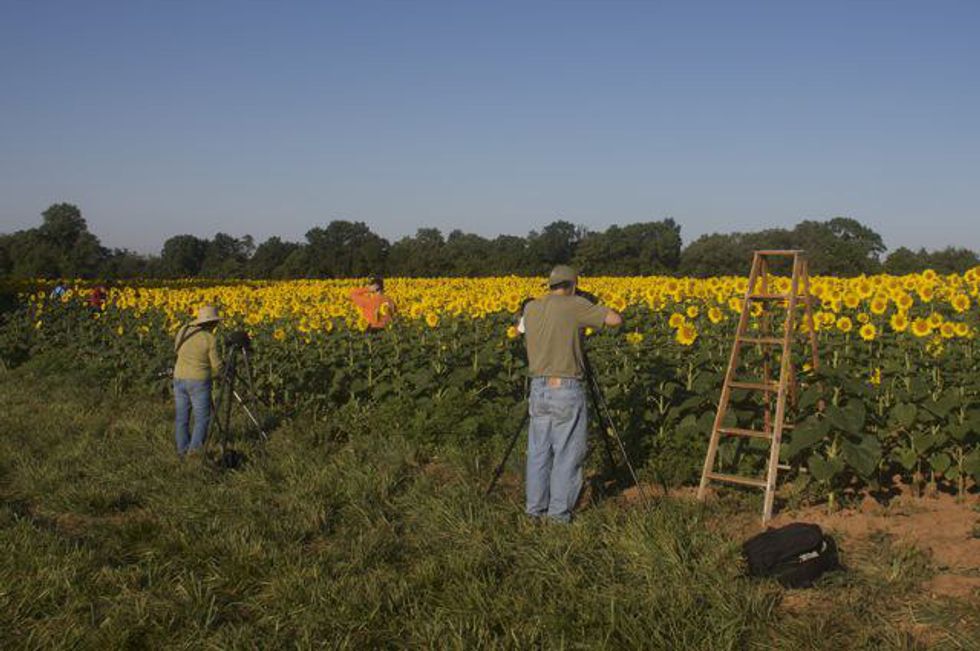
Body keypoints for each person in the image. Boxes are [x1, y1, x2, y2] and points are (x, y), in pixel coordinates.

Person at [520, 265, 623, 523]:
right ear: (573, 285)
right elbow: (615, 320)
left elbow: (521, 328)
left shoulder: (531, 308)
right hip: (565, 388)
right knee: (567, 454)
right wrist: (589, 305)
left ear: (550, 286)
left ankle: (534, 512)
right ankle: (558, 517)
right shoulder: (575, 304)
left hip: (538, 389)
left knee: (538, 453)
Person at [173, 305, 222, 459]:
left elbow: (176, 349)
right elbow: (216, 366)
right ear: (212, 323)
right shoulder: (209, 339)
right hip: (198, 381)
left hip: (179, 378)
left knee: (182, 418)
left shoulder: (183, 330)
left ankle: (182, 451)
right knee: (202, 419)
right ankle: (194, 453)